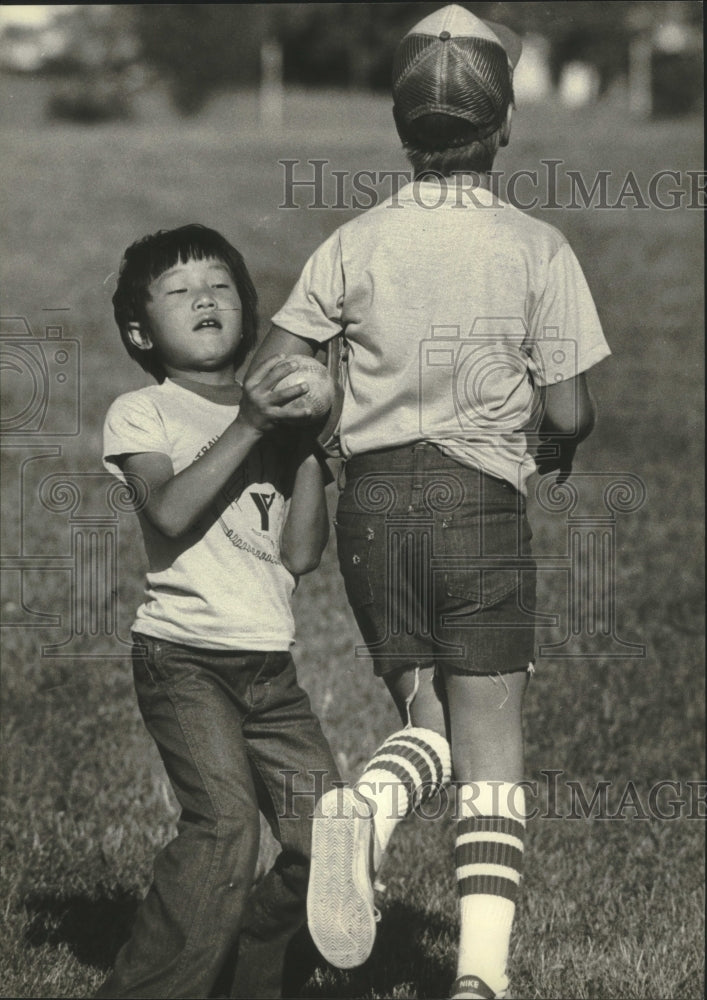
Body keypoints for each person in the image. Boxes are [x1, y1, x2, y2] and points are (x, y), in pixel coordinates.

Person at [246, 6, 611, 999]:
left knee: (426, 715)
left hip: (372, 509)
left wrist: (321, 426)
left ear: (399, 131)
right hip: (478, 505)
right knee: (488, 742)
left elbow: (272, 373)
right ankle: (480, 979)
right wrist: (558, 438)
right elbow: (569, 407)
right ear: (502, 129)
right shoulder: (535, 247)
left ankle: (364, 803)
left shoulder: (350, 242)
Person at [98, 223, 339, 999]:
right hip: (185, 659)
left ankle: (249, 970)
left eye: (220, 285)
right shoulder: (144, 411)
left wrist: (308, 448)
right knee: (224, 829)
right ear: (141, 331)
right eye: (178, 291)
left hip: (269, 668)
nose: (204, 297)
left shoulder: (272, 415)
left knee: (330, 835)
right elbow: (167, 513)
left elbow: (301, 555)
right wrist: (251, 426)